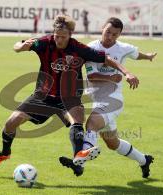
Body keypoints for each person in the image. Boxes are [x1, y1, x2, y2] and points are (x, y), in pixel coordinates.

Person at [0, 15, 139, 175]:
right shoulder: (45, 43)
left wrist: (127, 73)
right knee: (11, 123)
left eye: (63, 37)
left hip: (69, 98)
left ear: (70, 35)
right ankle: (4, 154)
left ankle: (78, 159)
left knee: (77, 120)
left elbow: (107, 59)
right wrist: (21, 46)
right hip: (43, 96)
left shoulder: (79, 48)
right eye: (56, 36)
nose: (59, 40)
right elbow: (18, 45)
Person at [60, 17, 156, 178]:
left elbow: (135, 54)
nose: (110, 36)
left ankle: (79, 163)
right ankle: (144, 160)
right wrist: (112, 78)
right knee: (113, 144)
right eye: (108, 32)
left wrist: (147, 56)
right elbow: (92, 76)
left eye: (114, 34)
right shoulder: (91, 48)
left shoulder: (123, 48)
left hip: (113, 100)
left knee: (91, 123)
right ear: (102, 28)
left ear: (119, 35)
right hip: (95, 100)